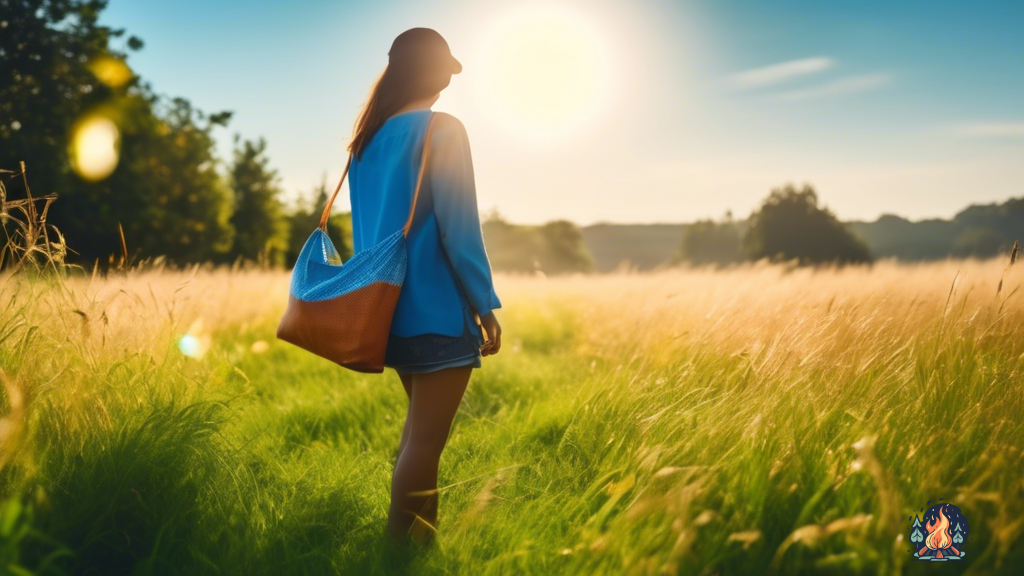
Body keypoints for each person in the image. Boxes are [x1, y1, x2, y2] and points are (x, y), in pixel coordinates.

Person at [346, 27, 503, 549]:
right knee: (424, 445)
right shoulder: (442, 130)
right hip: (436, 311)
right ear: (434, 73)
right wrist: (485, 305)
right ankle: (395, 552)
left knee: (419, 440)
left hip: (386, 312)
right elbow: (459, 231)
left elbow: (367, 231)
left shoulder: (366, 142)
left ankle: (422, 549)